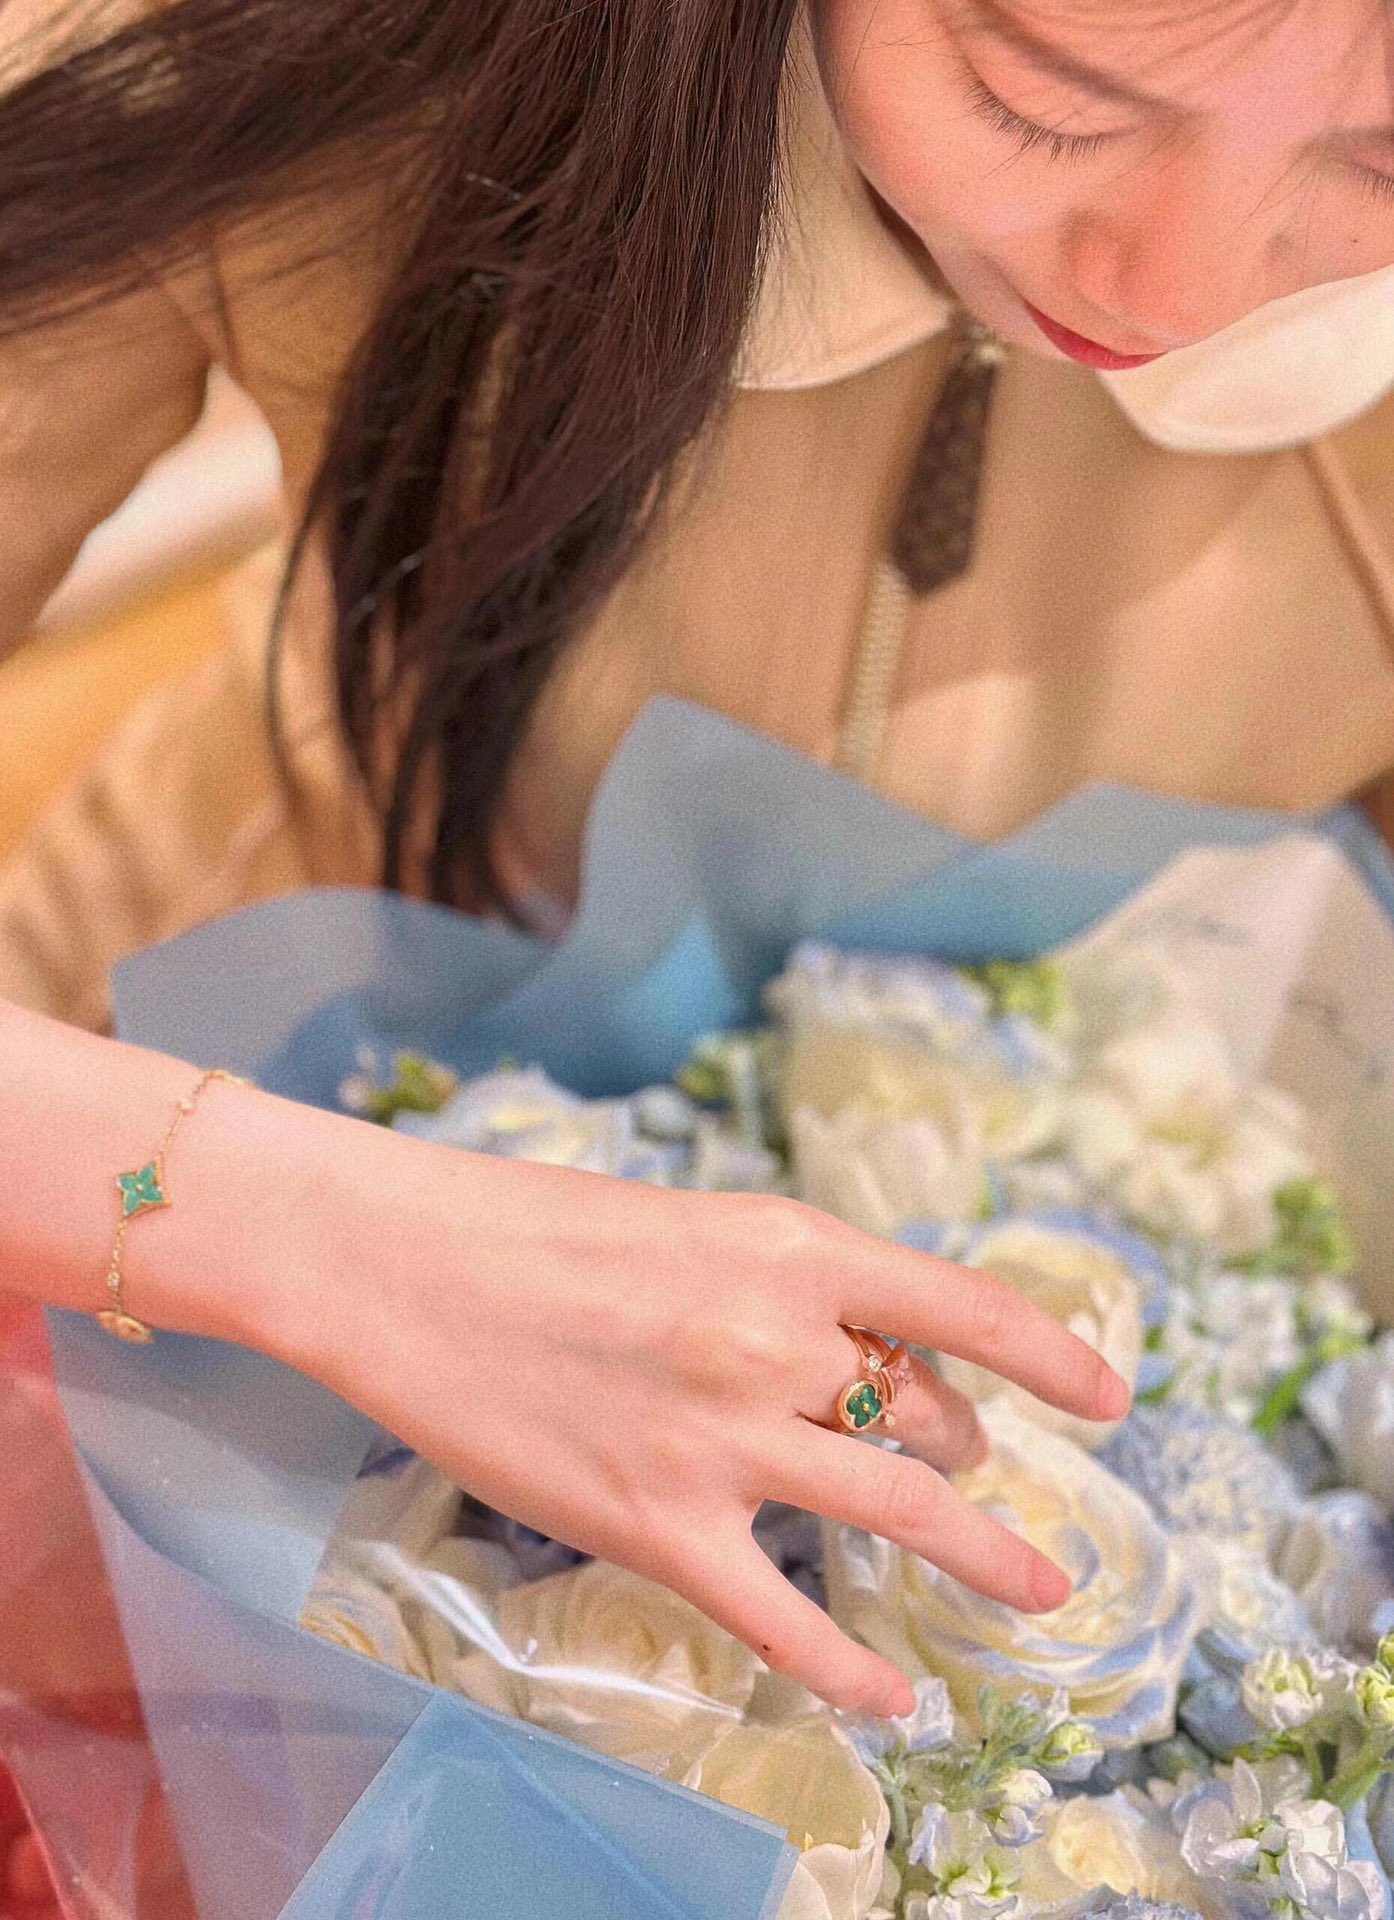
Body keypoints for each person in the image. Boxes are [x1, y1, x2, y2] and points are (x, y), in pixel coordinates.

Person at [3, 0, 1394, 1727]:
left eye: (1380, 159)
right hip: (143, 1123)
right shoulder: (308, 46)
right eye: (1040, 99)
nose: (1167, 290)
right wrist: (327, 1242)